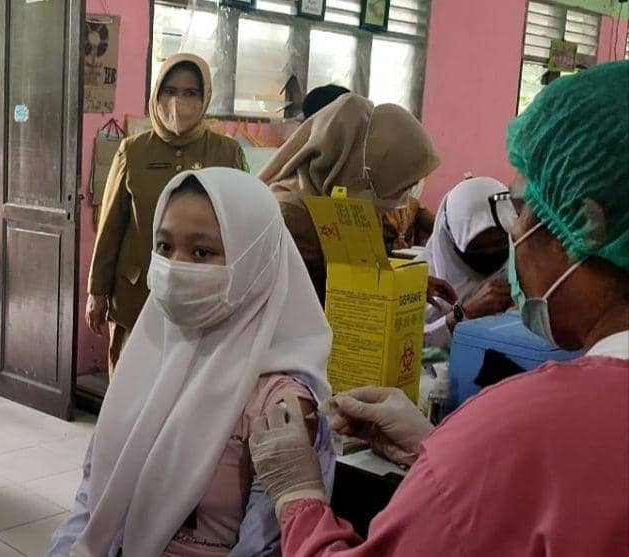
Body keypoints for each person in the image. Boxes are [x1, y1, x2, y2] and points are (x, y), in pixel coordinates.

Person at [247, 60, 629, 556]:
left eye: (521, 206)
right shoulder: (292, 215)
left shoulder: (525, 425)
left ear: (587, 224)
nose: (514, 232)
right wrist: (439, 448)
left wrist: (299, 498)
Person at [51, 168, 334, 556]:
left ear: (254, 264)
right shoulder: (145, 357)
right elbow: (92, 501)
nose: (175, 267)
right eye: (164, 247)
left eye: (202, 252)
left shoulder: (280, 404)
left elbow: (265, 547)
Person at [86, 53, 247, 374]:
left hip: (202, 298)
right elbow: (111, 226)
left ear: (206, 98)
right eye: (170, 91)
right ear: (156, 95)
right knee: (130, 387)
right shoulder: (133, 150)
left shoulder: (226, 152)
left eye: (191, 93)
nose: (178, 102)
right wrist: (97, 290)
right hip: (136, 294)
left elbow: (242, 227)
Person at [257, 93, 448, 306]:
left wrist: (406, 286)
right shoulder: (290, 213)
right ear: (365, 169)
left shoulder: (355, 203)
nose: (406, 196)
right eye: (402, 186)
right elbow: (304, 304)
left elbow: (361, 275)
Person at [420, 177, 512, 349]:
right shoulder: (419, 282)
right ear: (450, 240)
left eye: (500, 242)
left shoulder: (524, 272)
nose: (490, 253)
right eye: (476, 247)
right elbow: (400, 345)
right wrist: (464, 313)